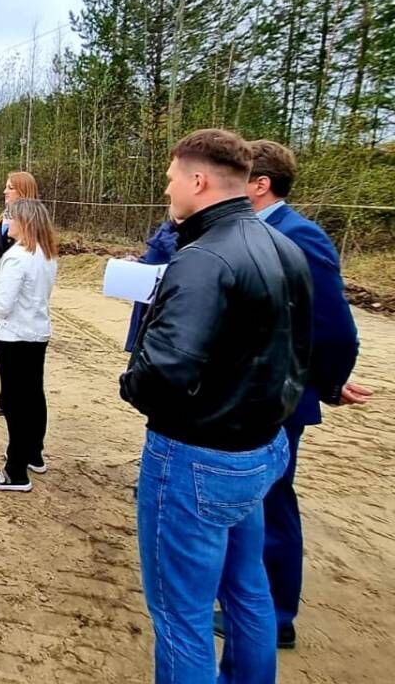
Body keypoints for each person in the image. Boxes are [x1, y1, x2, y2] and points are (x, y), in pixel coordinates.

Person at [121, 128, 312, 683]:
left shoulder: (202, 259)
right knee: (248, 588)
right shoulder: (286, 245)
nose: (167, 190)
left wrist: (129, 383)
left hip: (198, 455)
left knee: (181, 614)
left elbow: (164, 371)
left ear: (198, 180)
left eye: (171, 178)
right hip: (259, 447)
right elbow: (300, 349)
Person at [209, 139, 371, 651]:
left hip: (276, 399)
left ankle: (277, 614)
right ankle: (244, 596)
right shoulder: (246, 232)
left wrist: (324, 380)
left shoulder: (301, 237)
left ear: (260, 184)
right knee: (244, 503)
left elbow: (333, 328)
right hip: (239, 394)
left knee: (272, 502)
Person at [0, 198, 59, 493]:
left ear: (23, 222)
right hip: (36, 332)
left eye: (10, 218)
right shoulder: (46, 254)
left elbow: (2, 305)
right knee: (32, 396)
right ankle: (32, 454)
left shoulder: (18, 257)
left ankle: (15, 470)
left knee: (15, 401)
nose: (6, 223)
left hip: (13, 335)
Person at [0, 171, 38, 300]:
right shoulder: (4, 218)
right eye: (6, 187)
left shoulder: (29, 225)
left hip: (10, 292)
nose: (5, 192)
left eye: (10, 188)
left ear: (23, 191)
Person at [123, 220, 178, 352]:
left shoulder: (185, 238)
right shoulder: (166, 230)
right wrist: (138, 262)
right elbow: (152, 259)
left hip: (164, 307)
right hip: (146, 302)